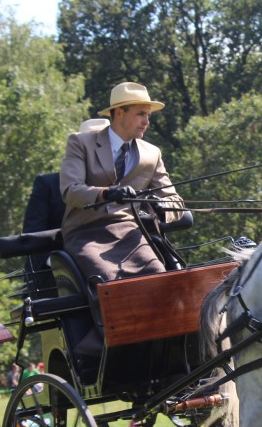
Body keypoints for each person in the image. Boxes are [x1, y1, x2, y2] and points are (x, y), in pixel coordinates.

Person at [60, 82, 186, 283]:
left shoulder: (152, 154)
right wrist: (106, 193)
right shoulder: (81, 143)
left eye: (148, 115)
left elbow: (174, 200)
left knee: (158, 274)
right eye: (140, 114)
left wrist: (163, 207)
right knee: (109, 281)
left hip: (129, 232)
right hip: (86, 233)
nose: (146, 122)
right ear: (119, 112)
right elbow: (70, 191)